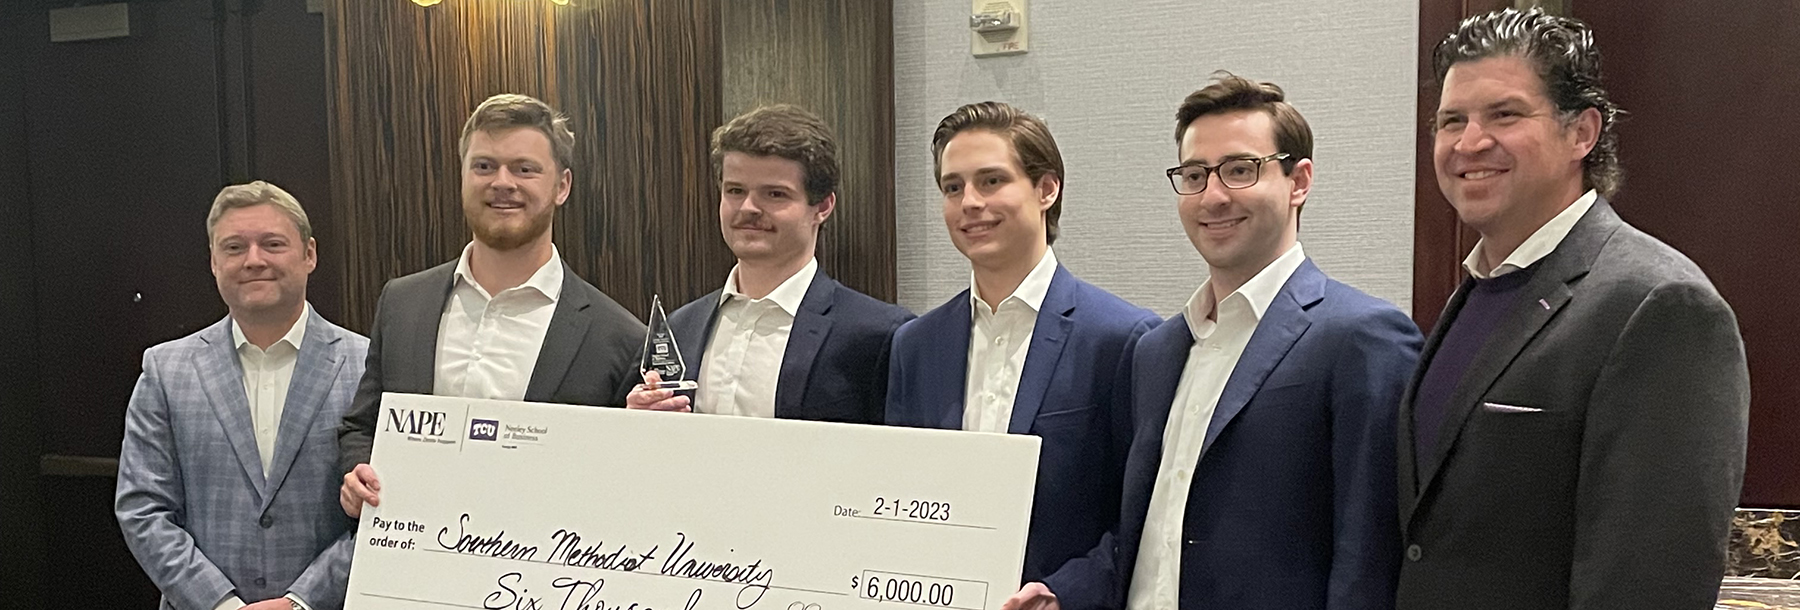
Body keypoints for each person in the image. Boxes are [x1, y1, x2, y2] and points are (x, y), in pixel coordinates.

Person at [1397, 8, 1750, 609]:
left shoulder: (1660, 306)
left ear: (1581, 133)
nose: (1469, 142)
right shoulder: (1476, 292)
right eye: (1452, 120)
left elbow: (1650, 584)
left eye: (1504, 114)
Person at [887, 101, 1160, 603]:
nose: (970, 202)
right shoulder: (915, 345)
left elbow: (1144, 515)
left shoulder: (1125, 338)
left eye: (991, 181)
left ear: (1046, 189)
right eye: (952, 187)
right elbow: (899, 494)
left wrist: (1066, 592)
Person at [337, 93, 644, 518]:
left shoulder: (619, 338)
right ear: (463, 176)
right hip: (411, 551)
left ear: (562, 186)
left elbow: (622, 481)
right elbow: (363, 426)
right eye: (483, 166)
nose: (502, 182)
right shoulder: (402, 304)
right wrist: (356, 474)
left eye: (524, 169)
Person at [117, 181, 368, 610]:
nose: (254, 260)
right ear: (213, 261)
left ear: (309, 254)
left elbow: (388, 510)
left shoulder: (366, 366)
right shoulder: (165, 371)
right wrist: (222, 604)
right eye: (234, 247)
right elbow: (143, 507)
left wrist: (301, 602)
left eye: (273, 244)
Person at [627, 104, 912, 422]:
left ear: (822, 206)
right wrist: (638, 422)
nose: (748, 208)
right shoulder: (680, 328)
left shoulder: (879, 335)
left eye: (774, 194)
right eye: (735, 190)